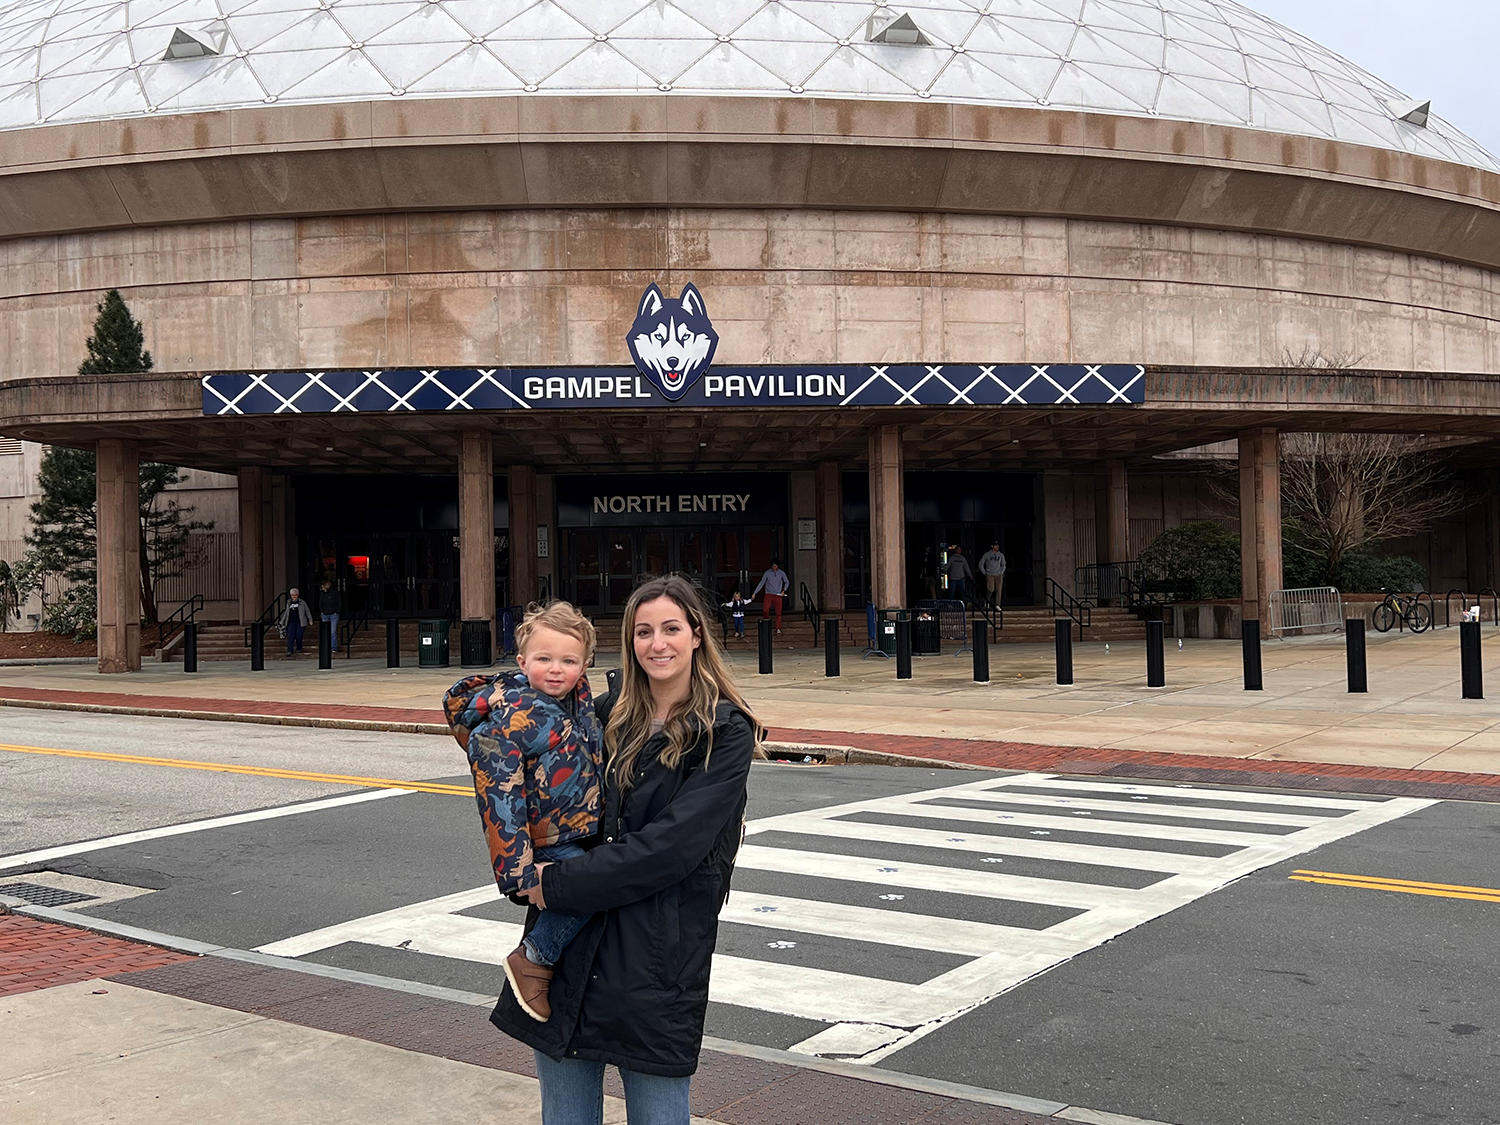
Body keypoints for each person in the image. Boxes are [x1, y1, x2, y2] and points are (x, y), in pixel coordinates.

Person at [505, 575, 762, 1125]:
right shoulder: (602, 714)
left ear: (696, 634)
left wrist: (551, 884)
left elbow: (668, 850)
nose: (657, 643)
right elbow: (539, 792)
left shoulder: (725, 733)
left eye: (671, 628)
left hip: (654, 961)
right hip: (569, 953)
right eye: (643, 631)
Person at [442, 602, 601, 1024]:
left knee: (604, 882)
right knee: (598, 889)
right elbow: (499, 798)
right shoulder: (511, 716)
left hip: (579, 832)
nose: (555, 669)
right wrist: (519, 875)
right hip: (545, 843)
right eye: (544, 658)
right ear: (522, 661)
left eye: (568, 660)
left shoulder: (579, 704)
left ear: (584, 665)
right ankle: (533, 957)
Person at [751, 558, 789, 633]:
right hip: (768, 594)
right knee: (765, 609)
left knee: (778, 612)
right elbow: (762, 583)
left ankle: (778, 628)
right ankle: (766, 624)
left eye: (775, 566)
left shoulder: (781, 573)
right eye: (773, 566)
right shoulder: (767, 573)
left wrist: (784, 590)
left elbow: (787, 582)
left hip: (778, 594)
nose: (774, 567)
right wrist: (755, 592)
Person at [282, 588, 312, 655]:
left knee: (299, 635)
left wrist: (310, 619)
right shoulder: (289, 603)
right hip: (291, 622)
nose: (294, 596)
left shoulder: (302, 603)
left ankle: (299, 647)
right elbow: (286, 613)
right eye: (292, 595)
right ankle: (290, 650)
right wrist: (282, 622)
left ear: (297, 595)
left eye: (295, 595)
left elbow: (307, 611)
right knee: (290, 636)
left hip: (300, 622)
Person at [978, 542, 1007, 607]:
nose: (997, 547)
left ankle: (997, 604)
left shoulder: (1000, 555)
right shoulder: (987, 555)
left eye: (998, 545)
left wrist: (1002, 572)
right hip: (990, 574)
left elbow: (1003, 564)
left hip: (999, 574)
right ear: (992, 546)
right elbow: (980, 564)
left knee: (999, 590)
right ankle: (987, 601)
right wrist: (985, 573)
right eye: (995, 545)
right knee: (990, 589)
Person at [318, 580, 342, 652]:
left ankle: (333, 647)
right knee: (325, 632)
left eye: (323, 587)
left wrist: (337, 611)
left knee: (332, 632)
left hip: (333, 614)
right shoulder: (322, 594)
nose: (322, 588)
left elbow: (339, 602)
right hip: (325, 614)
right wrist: (322, 611)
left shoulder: (335, 593)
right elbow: (320, 603)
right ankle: (326, 647)